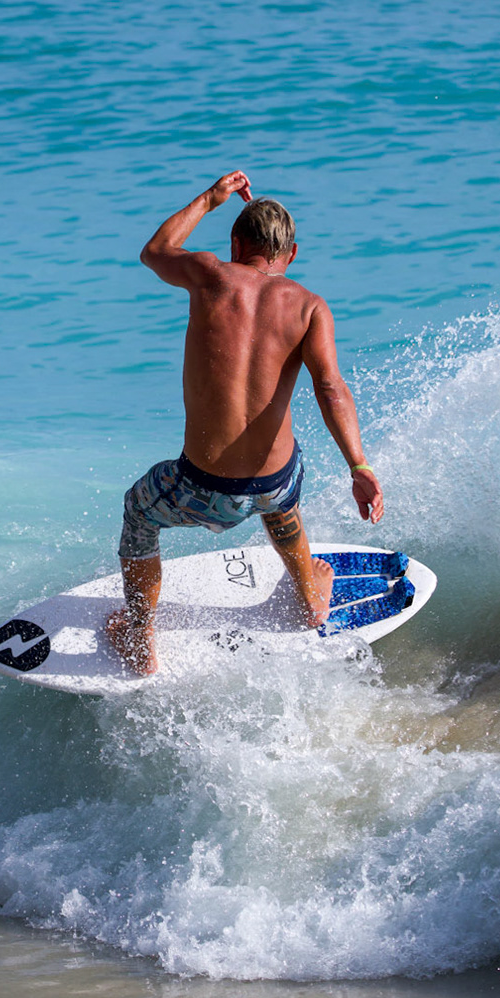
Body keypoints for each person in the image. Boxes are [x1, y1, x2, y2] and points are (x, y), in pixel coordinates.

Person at [105, 169, 386, 676]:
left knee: (138, 511)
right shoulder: (310, 307)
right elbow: (331, 389)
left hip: (201, 486)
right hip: (276, 485)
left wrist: (212, 198)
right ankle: (309, 594)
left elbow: (155, 250)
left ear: (236, 244)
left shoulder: (211, 274)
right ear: (292, 254)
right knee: (282, 488)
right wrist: (359, 466)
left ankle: (139, 638)